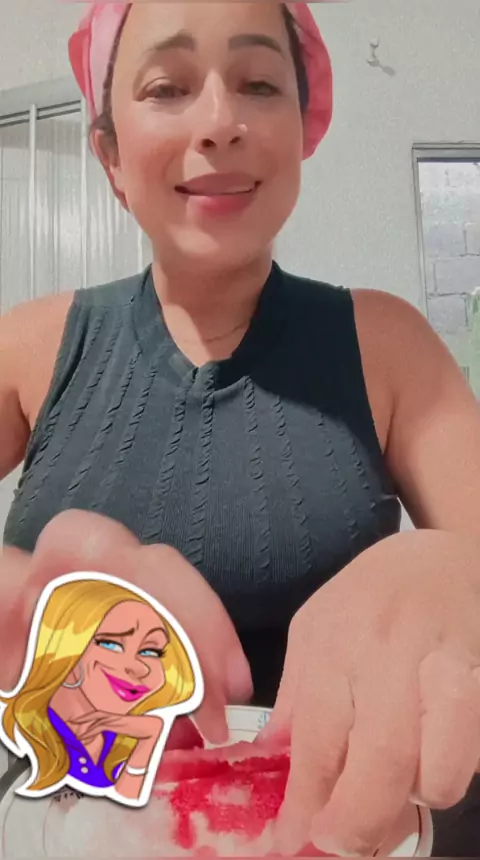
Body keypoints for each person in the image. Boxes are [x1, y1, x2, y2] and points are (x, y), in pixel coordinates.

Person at [0, 0, 479, 854]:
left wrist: (454, 574)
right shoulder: (30, 347)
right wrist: (19, 597)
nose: (220, 121)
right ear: (109, 152)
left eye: (259, 83)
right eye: (166, 87)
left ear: (304, 127)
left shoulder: (389, 344)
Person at [0, 573, 201, 806]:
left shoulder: (123, 738)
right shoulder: (21, 734)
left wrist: (149, 740)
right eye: (110, 644)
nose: (140, 668)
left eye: (150, 651)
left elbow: (125, 819)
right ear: (65, 647)